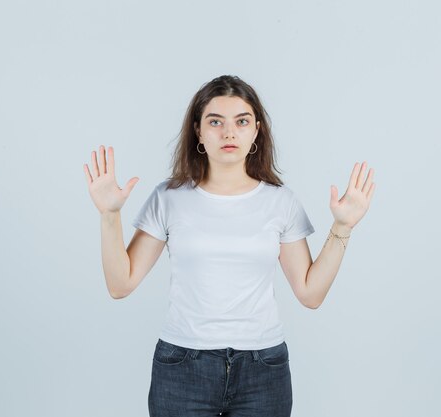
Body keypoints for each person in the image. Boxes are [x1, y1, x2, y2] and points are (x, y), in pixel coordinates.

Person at [83, 75, 375, 417]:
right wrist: (109, 215)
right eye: (215, 121)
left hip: (263, 368)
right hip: (182, 366)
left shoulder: (281, 202)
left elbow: (310, 294)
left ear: (256, 131)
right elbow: (120, 284)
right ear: (198, 131)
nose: (228, 132)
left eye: (241, 121)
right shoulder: (169, 198)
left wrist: (342, 227)